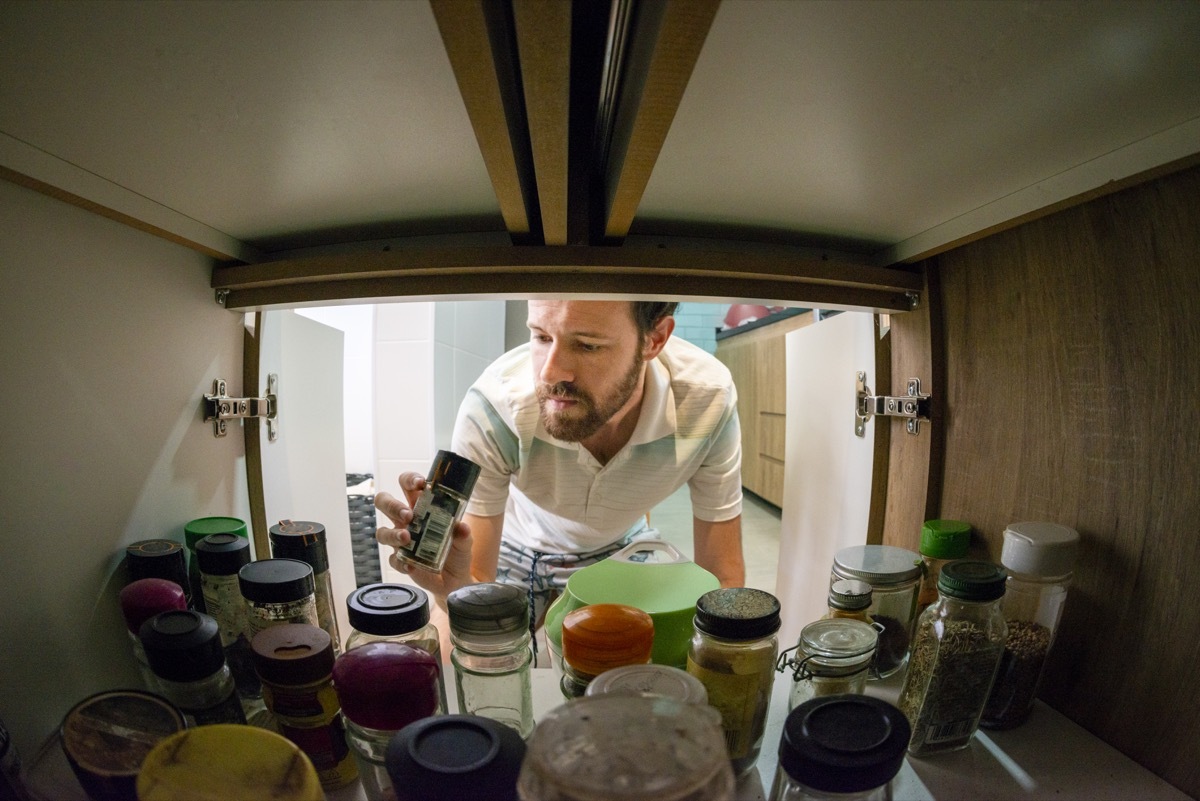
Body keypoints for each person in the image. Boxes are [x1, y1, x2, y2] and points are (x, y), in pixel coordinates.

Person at [374, 300, 746, 655]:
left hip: (618, 545)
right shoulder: (497, 405)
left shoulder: (707, 402)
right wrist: (449, 587)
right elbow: (473, 579)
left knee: (645, 655)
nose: (549, 373)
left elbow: (723, 577)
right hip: (517, 546)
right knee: (452, 646)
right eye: (540, 336)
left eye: (587, 345)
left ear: (654, 339)